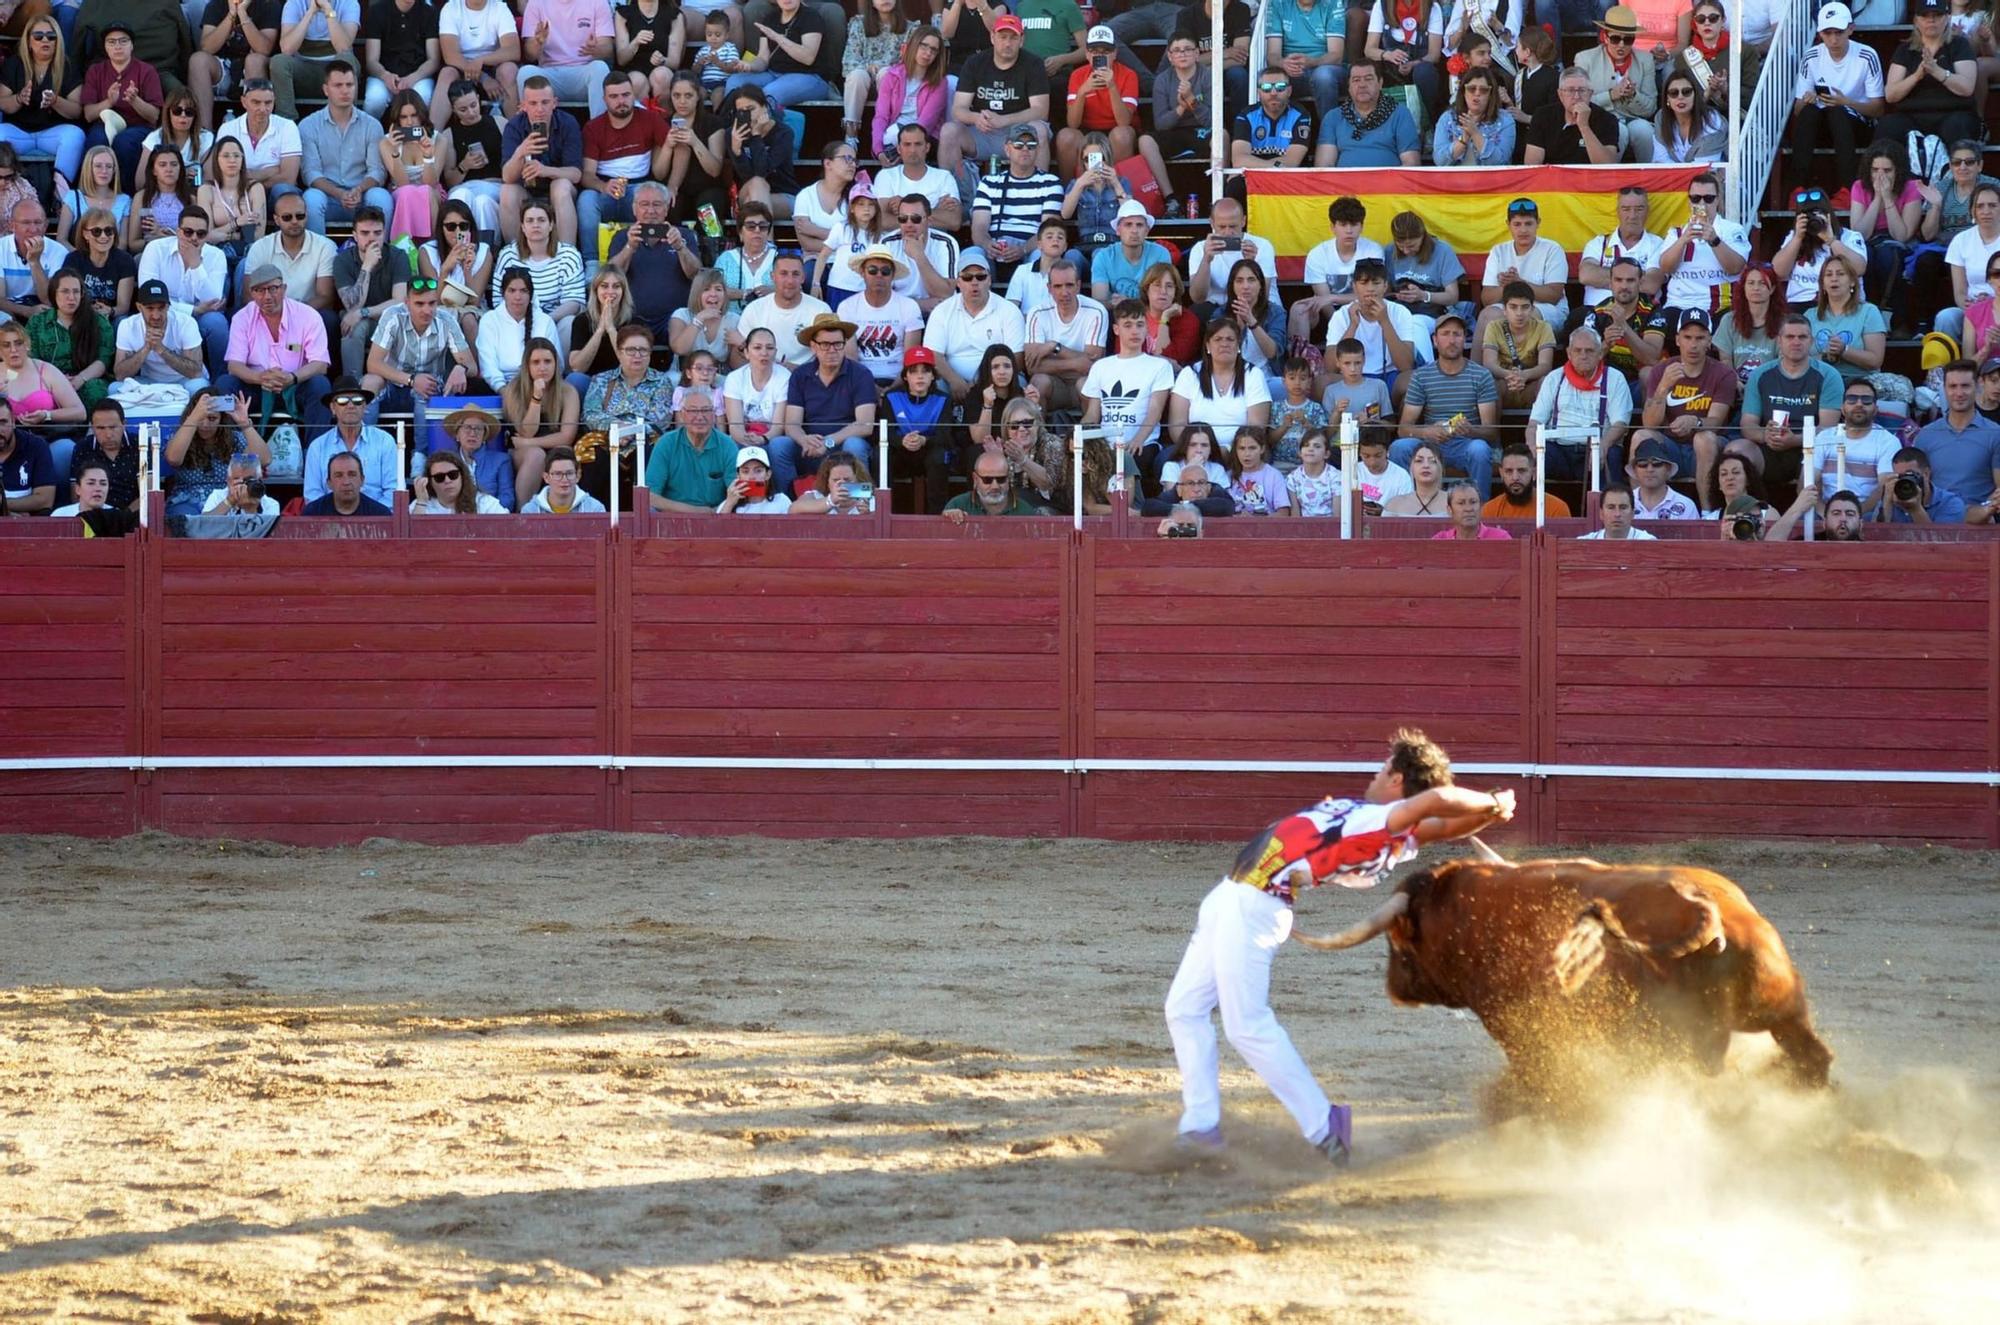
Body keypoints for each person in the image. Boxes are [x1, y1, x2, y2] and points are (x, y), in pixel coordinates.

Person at [1165, 729, 1514, 1161]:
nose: (1374, 773)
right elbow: (1441, 823)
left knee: (1247, 1025)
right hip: (1233, 897)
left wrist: (1494, 803)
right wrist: (1492, 813)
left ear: (1397, 781)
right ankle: (1201, 1125)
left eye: (1383, 768)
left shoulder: (1379, 822)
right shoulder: (1391, 832)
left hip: (1254, 905)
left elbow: (1435, 804)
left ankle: (1322, 1124)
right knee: (1184, 1008)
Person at [1625, 311, 1734, 495]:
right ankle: (1637, 508)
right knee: (1641, 436)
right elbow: (1649, 423)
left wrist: (1696, 422)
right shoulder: (1661, 370)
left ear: (1709, 341)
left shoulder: (1723, 373)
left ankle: (1708, 512)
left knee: (1704, 438)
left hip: (1706, 450)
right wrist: (1663, 388)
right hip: (1669, 448)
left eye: (1700, 338)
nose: (1693, 345)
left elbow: (1716, 422)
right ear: (1677, 340)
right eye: (1687, 337)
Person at [1391, 313, 1498, 496]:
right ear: (1435, 340)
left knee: (1480, 449)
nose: (1451, 340)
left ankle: (1480, 508)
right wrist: (1427, 431)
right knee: (1399, 447)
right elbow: (1403, 428)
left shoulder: (1481, 375)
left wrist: (1471, 430)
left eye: (1457, 334)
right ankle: (1404, 506)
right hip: (1430, 443)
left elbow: (1491, 431)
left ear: (1464, 339)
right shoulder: (1422, 376)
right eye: (1445, 334)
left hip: (1465, 443)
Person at [940, 14, 1052, 188]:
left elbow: (1041, 110)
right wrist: (976, 118)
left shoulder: (1033, 64)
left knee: (1039, 130)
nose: (1007, 43)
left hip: (1019, 134)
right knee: (949, 131)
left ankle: (1038, 194)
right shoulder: (975, 62)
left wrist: (1004, 120)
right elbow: (958, 109)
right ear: (992, 37)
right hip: (983, 132)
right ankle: (955, 197)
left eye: (1013, 37)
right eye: (1002, 37)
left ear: (1022, 40)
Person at [1055, 24, 1170, 191]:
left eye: (1105, 51)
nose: (1099, 55)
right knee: (1066, 136)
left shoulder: (1128, 74)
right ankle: (1069, 193)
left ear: (1115, 53)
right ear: (1087, 54)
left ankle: (1118, 192)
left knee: (1121, 134)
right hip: (1088, 129)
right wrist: (1082, 92)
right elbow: (1072, 124)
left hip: (1117, 128)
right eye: (1094, 51)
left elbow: (1124, 121)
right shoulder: (1078, 75)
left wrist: (1112, 87)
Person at [775, 311, 876, 495]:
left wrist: (828, 442)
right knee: (779, 446)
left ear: (845, 345)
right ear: (813, 346)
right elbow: (792, 424)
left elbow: (865, 425)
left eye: (838, 344)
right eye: (825, 344)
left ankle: (860, 503)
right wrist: (803, 440)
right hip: (809, 447)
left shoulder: (861, 374)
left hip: (842, 445)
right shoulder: (800, 375)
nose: (832, 350)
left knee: (855, 445)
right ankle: (787, 505)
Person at [220, 263, 335, 425]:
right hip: (257, 386)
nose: (267, 296)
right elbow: (234, 365)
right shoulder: (242, 318)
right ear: (252, 293)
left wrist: (292, 377)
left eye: (273, 288)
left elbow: (320, 364)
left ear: (284, 289)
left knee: (320, 385)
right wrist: (259, 378)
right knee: (225, 384)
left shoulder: (308, 315)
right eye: (259, 290)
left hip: (296, 385)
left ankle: (314, 448)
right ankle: (231, 446)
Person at [1740, 314, 1840, 496]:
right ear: (1779, 341)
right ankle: (1744, 514)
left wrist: (1794, 440)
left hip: (1810, 450)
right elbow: (1748, 424)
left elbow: (1827, 430)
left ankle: (1813, 521)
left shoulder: (1828, 375)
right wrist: (1766, 436)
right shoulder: (1760, 374)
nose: (1796, 342)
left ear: (1811, 341)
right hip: (1769, 448)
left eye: (1802, 337)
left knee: (1825, 457)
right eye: (1789, 337)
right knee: (1737, 451)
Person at [1790, 4, 1884, 197]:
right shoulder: (1812, 57)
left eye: (1839, 32)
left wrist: (1846, 102)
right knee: (1810, 112)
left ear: (1851, 29)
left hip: (1858, 125)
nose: (1833, 39)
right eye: (1828, 32)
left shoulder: (1867, 55)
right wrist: (1808, 100)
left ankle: (1848, 190)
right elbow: (1798, 110)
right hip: (1824, 125)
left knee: (1837, 112)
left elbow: (1879, 109)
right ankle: (1797, 189)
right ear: (1820, 33)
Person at [365, 274, 476, 430]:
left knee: (427, 388)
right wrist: (411, 380)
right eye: (419, 304)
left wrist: (461, 368)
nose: (427, 310)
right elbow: (373, 364)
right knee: (370, 382)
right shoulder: (393, 315)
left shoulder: (446, 320)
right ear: (407, 303)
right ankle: (363, 445)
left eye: (432, 303)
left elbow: (472, 366)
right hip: (392, 385)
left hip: (429, 388)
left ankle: (421, 453)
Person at [1527, 328, 1633, 482]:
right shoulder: (1554, 378)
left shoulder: (1614, 378)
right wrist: (1531, 447)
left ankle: (1609, 505)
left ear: (1600, 353)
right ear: (1569, 353)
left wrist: (1602, 446)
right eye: (1578, 351)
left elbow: (1620, 424)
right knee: (1532, 461)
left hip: (1597, 447)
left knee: (1611, 455)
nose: (1583, 355)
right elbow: (1535, 422)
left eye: (1589, 351)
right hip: (1559, 449)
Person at [1648, 172, 1749, 332]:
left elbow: (1735, 267)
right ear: (1689, 201)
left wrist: (1714, 241)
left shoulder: (1732, 230)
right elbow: (1665, 268)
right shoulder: (1676, 233)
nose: (1702, 204)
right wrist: (1683, 241)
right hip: (1679, 304)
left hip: (1720, 306)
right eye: (1696, 199)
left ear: (1717, 200)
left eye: (1708, 198)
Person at [577, 73, 670, 247]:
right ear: (604, 99)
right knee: (586, 200)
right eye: (614, 96)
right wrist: (603, 186)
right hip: (605, 188)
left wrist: (674, 185)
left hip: (639, 187)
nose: (621, 101)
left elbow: (678, 145)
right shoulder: (593, 128)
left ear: (633, 95)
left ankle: (650, 252)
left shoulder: (650, 119)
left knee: (654, 197)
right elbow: (587, 175)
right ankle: (592, 262)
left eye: (625, 95)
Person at [923, 248, 1026, 397]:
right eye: (967, 277)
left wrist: (983, 382)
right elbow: (933, 354)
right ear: (958, 282)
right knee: (932, 383)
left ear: (989, 280)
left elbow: (1017, 357)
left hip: (996, 377)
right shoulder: (942, 310)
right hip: (952, 381)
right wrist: (954, 381)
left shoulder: (1009, 310)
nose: (974, 282)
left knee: (1019, 383)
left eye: (980, 277)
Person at [1879, 0, 1981, 149]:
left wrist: (1936, 71)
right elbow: (1891, 94)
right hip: (1912, 115)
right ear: (1916, 20)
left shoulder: (1960, 45)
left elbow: (1967, 87)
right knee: (1889, 125)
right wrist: (1916, 76)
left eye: (1937, 15)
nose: (1931, 20)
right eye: (1924, 15)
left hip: (1953, 113)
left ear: (1947, 18)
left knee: (1956, 126)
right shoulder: (1905, 49)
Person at [0, 14, 84, 191]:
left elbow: (77, 110)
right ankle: (5, 188)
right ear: (29, 41)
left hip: (52, 133)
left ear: (57, 41)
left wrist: (56, 101)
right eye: (38, 36)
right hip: (19, 132)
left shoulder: (68, 66)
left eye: (51, 36)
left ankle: (60, 194)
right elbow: (3, 102)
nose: (45, 40)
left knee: (75, 135)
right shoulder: (14, 64)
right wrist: (18, 98)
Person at [971, 126, 1065, 284]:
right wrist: (988, 244)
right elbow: (979, 226)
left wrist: (1023, 249)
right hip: (995, 249)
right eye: (1019, 145)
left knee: (1044, 256)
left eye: (1031, 145)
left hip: (1032, 247)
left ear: (1038, 150)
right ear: (1007, 149)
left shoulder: (1051, 183)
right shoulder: (989, 182)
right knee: (972, 254)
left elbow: (1049, 230)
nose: (1025, 149)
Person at [500, 76, 585, 246]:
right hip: (529, 190)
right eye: (533, 103)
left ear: (554, 103)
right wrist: (520, 152)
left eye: (545, 102)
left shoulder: (567, 123)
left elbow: (576, 175)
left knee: (560, 186)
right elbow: (507, 177)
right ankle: (515, 254)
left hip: (561, 193)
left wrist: (545, 170)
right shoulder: (515, 126)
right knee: (507, 191)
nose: (539, 109)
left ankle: (567, 254)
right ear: (523, 105)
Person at [161, 386, 271, 516]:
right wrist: (194, 417)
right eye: (201, 418)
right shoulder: (182, 434)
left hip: (226, 499)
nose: (205, 424)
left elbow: (265, 460)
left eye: (212, 419)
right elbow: (173, 459)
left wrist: (244, 424)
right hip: (188, 501)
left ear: (222, 419)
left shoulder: (234, 438)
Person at [330, 206, 410, 381]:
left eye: (377, 233)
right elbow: (352, 305)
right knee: (354, 327)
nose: (371, 238)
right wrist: (366, 266)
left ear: (384, 233)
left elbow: (399, 302)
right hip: (359, 322)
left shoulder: (398, 256)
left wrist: (363, 312)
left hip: (391, 319)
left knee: (359, 320)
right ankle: (352, 385)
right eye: (365, 233)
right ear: (355, 235)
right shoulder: (342, 260)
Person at [1914, 358, 2000, 519]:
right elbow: (1918, 488)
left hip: (1983, 524)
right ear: (1944, 389)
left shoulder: (1995, 433)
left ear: (1978, 385)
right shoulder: (1926, 435)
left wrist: (1983, 511)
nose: (1959, 393)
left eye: (1965, 386)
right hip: (1936, 523)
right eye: (1953, 386)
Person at [501, 336, 579, 505]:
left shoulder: (568, 391)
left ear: (556, 364)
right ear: (527, 366)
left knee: (563, 452)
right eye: (536, 362)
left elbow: (567, 436)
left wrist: (527, 442)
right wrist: (536, 397)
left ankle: (563, 512)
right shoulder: (513, 390)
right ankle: (523, 513)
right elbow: (526, 431)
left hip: (534, 445)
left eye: (547, 361)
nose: (542, 367)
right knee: (536, 455)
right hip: (519, 452)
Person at [1479, 197, 1568, 341]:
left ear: (1538, 223)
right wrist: (1507, 287)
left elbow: (1553, 295)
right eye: (1517, 224)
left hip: (1546, 309)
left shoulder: (1552, 249)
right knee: (1487, 315)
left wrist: (1519, 284)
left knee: (1521, 317)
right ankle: (1476, 364)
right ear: (1508, 224)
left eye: (1528, 223)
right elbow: (1486, 298)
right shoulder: (1498, 251)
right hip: (1509, 308)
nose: (1523, 230)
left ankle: (1523, 363)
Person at [1573, 5, 1655, 161]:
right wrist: (1611, 95)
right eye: (1616, 39)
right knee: (1618, 131)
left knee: (1644, 131)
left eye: (1628, 39)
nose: (1622, 45)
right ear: (1605, 36)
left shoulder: (1646, 60)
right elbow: (1579, 102)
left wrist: (1633, 96)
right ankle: (1607, 180)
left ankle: (1648, 178)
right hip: (1601, 119)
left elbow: (1651, 107)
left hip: (1633, 118)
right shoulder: (1585, 59)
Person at [1021, 259, 1105, 411]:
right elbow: (1032, 367)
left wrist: (1055, 347)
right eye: (1058, 286)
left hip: (1082, 384)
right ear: (1049, 288)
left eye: (1069, 285)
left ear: (1078, 286)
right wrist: (1075, 363)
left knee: (1086, 383)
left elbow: (1091, 366)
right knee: (1038, 381)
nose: (1064, 292)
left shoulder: (1096, 311)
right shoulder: (1037, 313)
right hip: (1054, 386)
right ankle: (1038, 433)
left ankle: (1090, 434)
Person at [721, 0, 836, 110]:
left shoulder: (811, 17)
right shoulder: (770, 19)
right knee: (735, 81)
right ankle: (732, 126)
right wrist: (749, 66)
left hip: (809, 77)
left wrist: (777, 37)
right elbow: (763, 59)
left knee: (769, 94)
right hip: (774, 74)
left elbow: (808, 57)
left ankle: (763, 129)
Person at [860, 12, 946, 160]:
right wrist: (878, 150)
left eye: (933, 50)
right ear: (912, 46)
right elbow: (881, 116)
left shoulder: (939, 82)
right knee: (889, 139)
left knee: (896, 139)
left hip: (925, 137)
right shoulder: (892, 76)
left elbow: (926, 123)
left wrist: (906, 148)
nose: (928, 53)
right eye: (923, 46)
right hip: (895, 136)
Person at [838, 246, 925, 387]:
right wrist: (870, 387)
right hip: (859, 380)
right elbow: (850, 358)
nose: (879, 275)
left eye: (885, 271)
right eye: (872, 270)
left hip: (901, 379)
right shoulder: (847, 307)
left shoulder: (909, 306)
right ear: (862, 273)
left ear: (892, 275)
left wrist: (895, 387)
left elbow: (910, 358)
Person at [302, 375, 395, 505]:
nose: (350, 405)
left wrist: (374, 518)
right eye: (342, 400)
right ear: (333, 408)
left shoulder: (385, 441)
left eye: (357, 400)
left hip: (377, 519)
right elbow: (312, 496)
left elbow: (393, 492)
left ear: (364, 407)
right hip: (330, 521)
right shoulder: (317, 447)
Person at [27, 271, 113, 410]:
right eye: (65, 292)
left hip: (85, 380)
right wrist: (55, 381)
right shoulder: (38, 323)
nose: (71, 297)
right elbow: (31, 359)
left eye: (76, 292)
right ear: (54, 294)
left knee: (95, 389)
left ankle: (90, 431)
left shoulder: (99, 322)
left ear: (82, 294)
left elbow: (104, 359)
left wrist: (80, 379)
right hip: (47, 381)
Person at [643, 385, 737, 511]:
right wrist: (694, 511)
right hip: (672, 517)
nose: (699, 417)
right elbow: (649, 496)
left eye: (705, 410)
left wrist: (717, 512)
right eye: (693, 411)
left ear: (714, 414)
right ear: (682, 414)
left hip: (715, 517)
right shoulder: (666, 443)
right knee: (647, 509)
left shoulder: (727, 445)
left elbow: (736, 491)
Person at [517, 0, 616, 118]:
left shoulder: (598, 2)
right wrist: (538, 43)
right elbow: (530, 55)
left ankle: (598, 130)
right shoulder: (536, 3)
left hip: (584, 73)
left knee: (600, 68)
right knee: (525, 72)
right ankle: (533, 131)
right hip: (550, 76)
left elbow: (608, 48)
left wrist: (596, 49)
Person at [1313, 59, 1418, 167]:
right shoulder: (1333, 117)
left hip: (1389, 182)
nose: (1362, 85)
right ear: (1349, 87)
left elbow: (1411, 163)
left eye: (1368, 79)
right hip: (1344, 183)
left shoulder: (1400, 113)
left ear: (1380, 83)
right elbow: (1324, 166)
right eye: (1356, 80)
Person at [1817, 375, 1898, 514]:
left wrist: (1854, 516)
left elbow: (1884, 489)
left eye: (1866, 400)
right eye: (1852, 399)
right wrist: (1826, 514)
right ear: (1842, 408)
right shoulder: (1824, 437)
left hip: (1867, 514)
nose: (1859, 404)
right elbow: (1807, 483)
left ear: (1875, 408)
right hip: (1824, 511)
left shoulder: (1888, 441)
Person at [1802, 255, 1886, 387]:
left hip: (1858, 382)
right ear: (1822, 284)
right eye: (1828, 275)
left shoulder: (1869, 311)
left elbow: (1875, 361)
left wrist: (1844, 350)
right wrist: (1824, 356)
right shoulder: (1809, 315)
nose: (1834, 279)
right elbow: (1800, 357)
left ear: (1852, 281)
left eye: (1840, 274)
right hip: (1819, 380)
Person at [437, 0, 523, 126]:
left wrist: (480, 61)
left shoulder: (500, 8)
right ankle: (433, 135)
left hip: (493, 63)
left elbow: (513, 50)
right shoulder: (451, 8)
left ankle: (516, 131)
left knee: (509, 70)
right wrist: (484, 78)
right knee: (447, 73)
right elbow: (450, 56)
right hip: (461, 65)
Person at [113, 277, 209, 391]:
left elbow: (195, 372)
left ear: (168, 306)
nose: (156, 315)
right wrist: (147, 347)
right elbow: (120, 375)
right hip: (148, 381)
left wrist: (161, 349)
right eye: (150, 308)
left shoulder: (186, 323)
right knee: (115, 388)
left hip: (183, 380)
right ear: (139, 307)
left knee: (199, 386)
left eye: (161, 308)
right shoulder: (127, 326)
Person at [740, 252, 831, 369]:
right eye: (783, 274)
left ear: (803, 278)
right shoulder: (754, 309)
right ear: (772, 277)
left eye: (795, 274)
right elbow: (739, 353)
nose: (790, 281)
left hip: (807, 378)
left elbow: (829, 353)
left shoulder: (821, 310)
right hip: (765, 376)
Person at [874, 123, 963, 235]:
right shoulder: (886, 176)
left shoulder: (944, 177)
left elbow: (954, 221)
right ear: (899, 149)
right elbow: (882, 221)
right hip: (893, 245)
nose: (912, 150)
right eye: (907, 144)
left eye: (918, 144)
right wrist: (933, 211)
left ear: (927, 147)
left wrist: (903, 209)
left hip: (935, 245)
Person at [363, 0, 442, 120]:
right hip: (384, 75)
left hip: (418, 76)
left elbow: (434, 60)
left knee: (423, 97)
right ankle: (371, 136)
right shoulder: (377, 11)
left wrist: (413, 78)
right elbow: (371, 61)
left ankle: (420, 136)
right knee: (375, 100)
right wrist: (385, 76)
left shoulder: (429, 12)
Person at [1523, 66, 1618, 165]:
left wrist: (1584, 126)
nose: (1577, 96)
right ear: (1560, 94)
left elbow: (1607, 166)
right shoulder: (1542, 116)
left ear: (1590, 94)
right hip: (1553, 177)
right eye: (1570, 90)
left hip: (1589, 178)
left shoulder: (1607, 119)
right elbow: (1532, 164)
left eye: (1582, 90)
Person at [1265, 0, 1345, 115]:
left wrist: (1312, 62)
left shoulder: (1332, 3)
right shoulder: (1278, 3)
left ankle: (1329, 130)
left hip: (1324, 67)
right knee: (1268, 79)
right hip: (1290, 70)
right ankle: (1275, 130)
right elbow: (1272, 56)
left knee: (1323, 76)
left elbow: (1336, 55)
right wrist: (1284, 64)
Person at [1230, 67, 1312, 177]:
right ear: (1259, 92)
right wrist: (1273, 166)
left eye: (1280, 87)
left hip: (1286, 177)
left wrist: (1255, 164)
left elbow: (1292, 162)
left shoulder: (1300, 115)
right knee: (1233, 184)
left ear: (1289, 91)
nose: (1273, 93)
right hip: (1253, 176)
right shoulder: (1246, 116)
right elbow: (1239, 160)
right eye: (1266, 88)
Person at [1090, 199, 1170, 307]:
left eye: (1139, 225)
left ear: (1147, 230)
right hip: (1116, 316)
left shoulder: (1161, 254)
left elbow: (1163, 298)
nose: (1134, 230)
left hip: (1150, 317)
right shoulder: (1103, 257)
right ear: (1118, 230)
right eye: (1128, 225)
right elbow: (1099, 302)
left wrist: (1128, 303)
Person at [0, 199, 67, 326]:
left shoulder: (58, 252)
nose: (33, 229)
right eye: (26, 223)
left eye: (38, 222)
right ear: (12, 225)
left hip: (45, 310)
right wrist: (26, 311)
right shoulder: (1, 249)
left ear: (46, 225)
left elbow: (49, 300)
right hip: (9, 311)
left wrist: (34, 262)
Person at [1435, 66, 1511, 166]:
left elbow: (1500, 162)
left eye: (1483, 90)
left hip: (1492, 180)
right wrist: (1463, 140)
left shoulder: (1505, 119)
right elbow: (1440, 162)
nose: (1477, 93)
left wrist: (1475, 133)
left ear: (1491, 94)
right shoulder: (1447, 117)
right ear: (1463, 92)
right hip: (1454, 180)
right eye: (1471, 89)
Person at [1652, 61, 1724, 164]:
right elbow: (1660, 160)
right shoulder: (1661, 117)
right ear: (1667, 98)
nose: (1680, 97)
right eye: (1674, 93)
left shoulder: (1712, 120)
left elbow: (1704, 167)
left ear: (1695, 95)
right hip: (1672, 178)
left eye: (1686, 92)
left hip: (1709, 178)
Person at [942, 447, 1039, 519]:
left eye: (1001, 479)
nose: (995, 486)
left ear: (1008, 478)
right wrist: (948, 519)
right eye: (987, 480)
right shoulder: (957, 505)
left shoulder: (1025, 512)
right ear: (975, 479)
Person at [1881, 444, 1969, 524]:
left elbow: (1938, 539)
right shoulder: (1892, 495)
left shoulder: (1950, 503)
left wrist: (1915, 509)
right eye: (1900, 476)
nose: (1905, 481)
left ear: (1926, 474)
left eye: (1910, 475)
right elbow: (1875, 536)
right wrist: (1886, 503)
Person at [1482, 442, 1569, 519]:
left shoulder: (1557, 509)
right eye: (1509, 471)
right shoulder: (1489, 511)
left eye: (1521, 470)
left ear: (1534, 473)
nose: (1515, 477)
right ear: (1501, 473)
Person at [412, 447, 506, 512]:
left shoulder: (484, 502)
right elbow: (410, 537)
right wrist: (421, 502)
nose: (447, 480)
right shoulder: (421, 504)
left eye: (453, 475)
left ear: (462, 476)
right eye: (439, 477)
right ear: (430, 482)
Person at [1626, 436, 1699, 520]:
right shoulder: (1623, 503)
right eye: (1643, 464)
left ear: (1668, 469)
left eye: (1657, 464)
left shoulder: (1686, 505)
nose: (1650, 469)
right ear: (1635, 470)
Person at [519, 444, 605, 512]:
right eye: (557, 474)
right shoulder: (530, 511)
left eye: (569, 473)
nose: (564, 479)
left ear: (578, 476)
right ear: (546, 478)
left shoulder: (595, 509)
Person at [715, 442, 790, 513]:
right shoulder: (727, 504)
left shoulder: (781, 501)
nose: (752, 477)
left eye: (758, 471)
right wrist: (729, 504)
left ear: (768, 474)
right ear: (738, 476)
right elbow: (716, 526)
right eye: (745, 471)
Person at [1431, 479, 1510, 539]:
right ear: (1449, 510)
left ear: (1481, 507)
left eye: (1473, 502)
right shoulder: (1440, 540)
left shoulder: (1501, 538)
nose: (1468, 509)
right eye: (1461, 503)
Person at [1578, 482, 1658, 539]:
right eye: (1611, 507)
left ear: (1632, 513)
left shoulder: (1647, 541)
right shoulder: (1584, 544)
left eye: (1623, 507)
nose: (1617, 514)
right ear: (1601, 513)